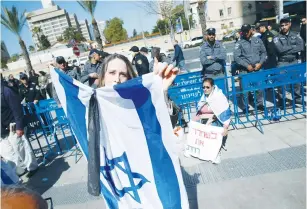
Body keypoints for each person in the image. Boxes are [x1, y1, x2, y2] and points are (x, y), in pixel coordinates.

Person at [1, 79, 38, 177]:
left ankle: (32, 166)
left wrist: (19, 127)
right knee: (9, 153)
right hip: (2, 130)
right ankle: (20, 169)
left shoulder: (6, 91)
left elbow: (17, 109)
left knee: (21, 148)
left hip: (13, 126)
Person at [193, 78, 231, 164]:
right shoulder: (204, 97)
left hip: (218, 121)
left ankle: (217, 153)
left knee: (213, 128)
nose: (205, 89)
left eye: (207, 87)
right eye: (203, 87)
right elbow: (199, 111)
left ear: (213, 87)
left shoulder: (219, 96)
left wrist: (225, 127)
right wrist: (193, 122)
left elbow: (225, 113)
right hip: (206, 120)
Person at [234, 24, 267, 113]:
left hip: (257, 68)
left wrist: (260, 63)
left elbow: (264, 53)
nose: (245, 33)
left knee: (259, 88)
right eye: (243, 31)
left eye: (247, 31)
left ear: (251, 30)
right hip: (245, 70)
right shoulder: (239, 43)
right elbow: (237, 57)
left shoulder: (258, 40)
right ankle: (245, 106)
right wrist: (246, 65)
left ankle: (259, 104)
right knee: (245, 90)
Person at [273, 18, 305, 104]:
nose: (284, 27)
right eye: (282, 25)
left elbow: (301, 47)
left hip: (294, 61)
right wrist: (293, 47)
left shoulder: (296, 34)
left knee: (296, 81)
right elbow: (280, 50)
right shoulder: (276, 37)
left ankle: (297, 98)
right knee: (281, 82)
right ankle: (281, 100)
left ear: (289, 24)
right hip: (282, 62)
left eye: (286, 25)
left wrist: (287, 49)